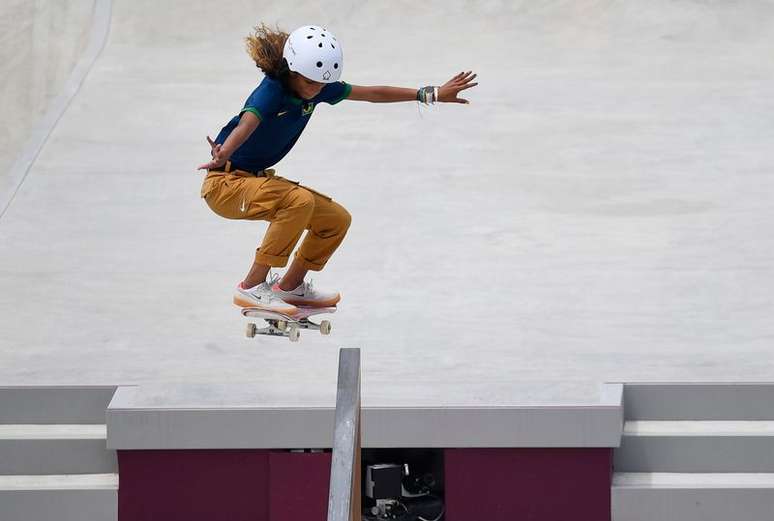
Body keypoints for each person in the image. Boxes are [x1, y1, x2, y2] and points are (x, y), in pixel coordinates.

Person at [198, 24, 478, 315]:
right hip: (225, 184)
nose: (316, 90)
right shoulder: (271, 91)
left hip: (255, 182)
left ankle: (291, 287)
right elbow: (249, 121)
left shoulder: (316, 87)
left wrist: (428, 94)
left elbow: (372, 93)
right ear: (292, 71)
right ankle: (252, 288)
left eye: (322, 84)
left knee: (335, 219)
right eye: (311, 83)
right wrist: (225, 152)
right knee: (298, 201)